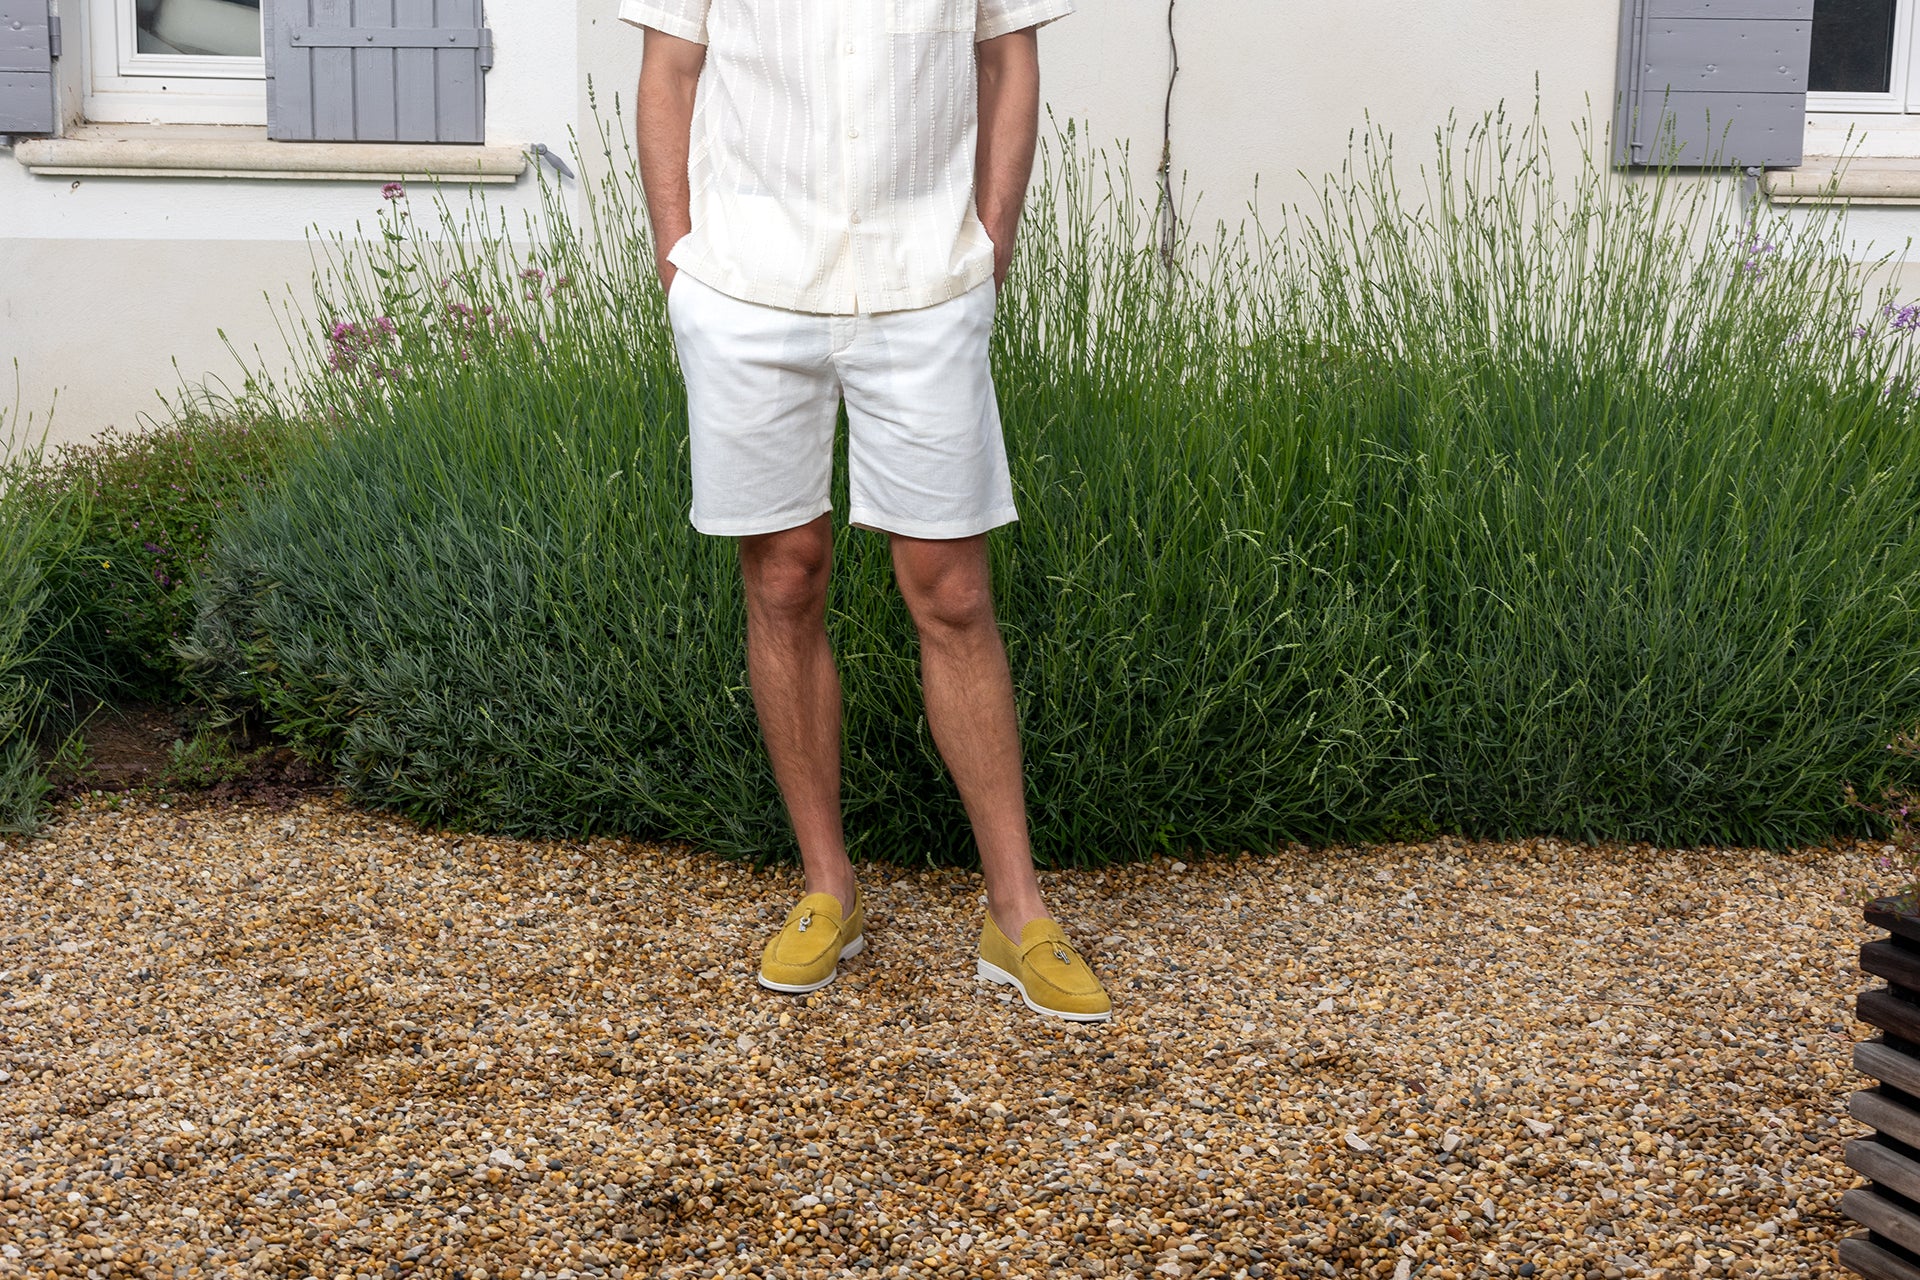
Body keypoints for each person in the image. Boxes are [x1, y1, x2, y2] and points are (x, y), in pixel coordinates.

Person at [621, 0, 1112, 1022]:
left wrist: (989, 247)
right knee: (785, 576)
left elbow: (1008, 60)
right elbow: (670, 71)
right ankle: (827, 889)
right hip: (747, 285)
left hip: (923, 282)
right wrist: (679, 268)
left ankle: (1018, 912)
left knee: (953, 590)